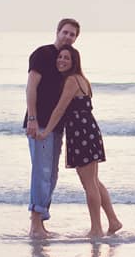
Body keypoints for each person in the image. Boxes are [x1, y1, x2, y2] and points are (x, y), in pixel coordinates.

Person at [37, 45, 122, 237]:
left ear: (74, 62)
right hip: (88, 130)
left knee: (89, 184)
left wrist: (46, 131)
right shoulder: (83, 80)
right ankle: (113, 221)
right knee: (94, 181)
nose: (61, 60)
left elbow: (60, 109)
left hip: (81, 133)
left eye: (66, 58)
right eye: (60, 57)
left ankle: (96, 229)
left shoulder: (72, 80)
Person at [25, 18, 80, 238]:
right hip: (39, 123)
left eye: (72, 34)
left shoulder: (67, 61)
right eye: (65, 32)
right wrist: (32, 118)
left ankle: (41, 220)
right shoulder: (42, 54)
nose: (68, 36)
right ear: (57, 32)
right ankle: (35, 224)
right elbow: (31, 87)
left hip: (56, 126)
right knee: (41, 172)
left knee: (52, 174)